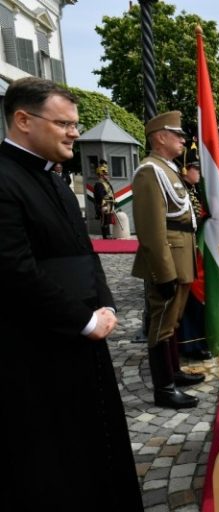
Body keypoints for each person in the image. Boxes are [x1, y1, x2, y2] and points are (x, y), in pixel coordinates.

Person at [0, 77, 143, 510]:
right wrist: (83, 320)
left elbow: (85, 251)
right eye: (63, 123)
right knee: (58, 457)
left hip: (84, 337)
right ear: (23, 120)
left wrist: (105, 303)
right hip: (40, 347)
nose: (74, 133)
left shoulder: (55, 178)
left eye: (75, 124)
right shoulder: (5, 180)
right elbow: (14, 270)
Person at [132, 110, 204, 409]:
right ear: (161, 137)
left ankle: (173, 372)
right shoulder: (150, 170)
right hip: (167, 260)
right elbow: (151, 229)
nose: (183, 140)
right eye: (178, 134)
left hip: (181, 255)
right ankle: (164, 389)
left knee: (172, 320)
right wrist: (163, 273)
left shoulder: (168, 169)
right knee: (161, 323)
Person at [176, 144, 213, 361]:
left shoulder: (191, 190)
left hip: (195, 251)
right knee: (191, 299)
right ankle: (191, 344)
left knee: (196, 298)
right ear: (184, 169)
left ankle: (198, 341)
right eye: (195, 168)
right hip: (185, 252)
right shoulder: (181, 191)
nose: (198, 172)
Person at [93, 159, 116, 239]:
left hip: (109, 203)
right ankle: (105, 237)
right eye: (106, 175)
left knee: (108, 219)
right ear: (102, 175)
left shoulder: (107, 183)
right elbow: (100, 195)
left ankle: (107, 235)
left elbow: (111, 192)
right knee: (104, 220)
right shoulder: (99, 184)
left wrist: (113, 200)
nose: (107, 176)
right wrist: (107, 199)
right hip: (103, 204)